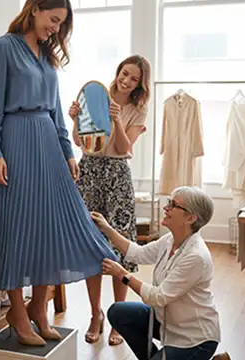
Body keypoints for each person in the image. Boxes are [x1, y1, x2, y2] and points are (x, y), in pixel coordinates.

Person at [0, 0, 119, 347]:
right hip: (15, 141)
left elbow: (57, 109)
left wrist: (67, 151)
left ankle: (39, 310)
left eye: (60, 24)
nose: (55, 29)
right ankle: (16, 310)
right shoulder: (3, 48)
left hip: (48, 144)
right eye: (53, 20)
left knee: (48, 229)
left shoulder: (46, 56)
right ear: (35, 9)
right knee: (15, 228)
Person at [68, 55, 151, 345]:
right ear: (118, 71)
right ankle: (95, 315)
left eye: (134, 79)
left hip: (117, 176)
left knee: (119, 249)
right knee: (92, 247)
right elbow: (80, 142)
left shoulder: (138, 110)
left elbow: (124, 148)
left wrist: (116, 118)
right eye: (124, 73)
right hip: (88, 172)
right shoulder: (95, 95)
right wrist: (76, 118)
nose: (126, 80)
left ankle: (118, 317)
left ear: (140, 84)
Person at [91, 186, 221, 360]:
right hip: (168, 322)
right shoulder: (170, 240)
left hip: (194, 339)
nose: (166, 208)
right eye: (169, 202)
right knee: (118, 312)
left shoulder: (196, 256)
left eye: (173, 205)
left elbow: (157, 297)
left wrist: (122, 274)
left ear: (191, 218)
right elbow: (137, 253)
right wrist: (107, 228)